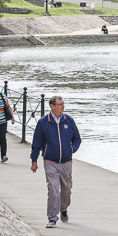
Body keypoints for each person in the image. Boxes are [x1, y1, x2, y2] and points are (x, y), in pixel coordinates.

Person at [30, 95, 81, 229]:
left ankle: (63, 209)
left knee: (66, 189)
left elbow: (77, 139)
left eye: (63, 104)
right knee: (53, 189)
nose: (63, 106)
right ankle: (52, 218)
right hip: (50, 160)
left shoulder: (68, 120)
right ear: (52, 106)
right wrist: (34, 160)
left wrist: (72, 149)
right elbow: (36, 143)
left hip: (66, 161)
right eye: (60, 104)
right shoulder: (43, 122)